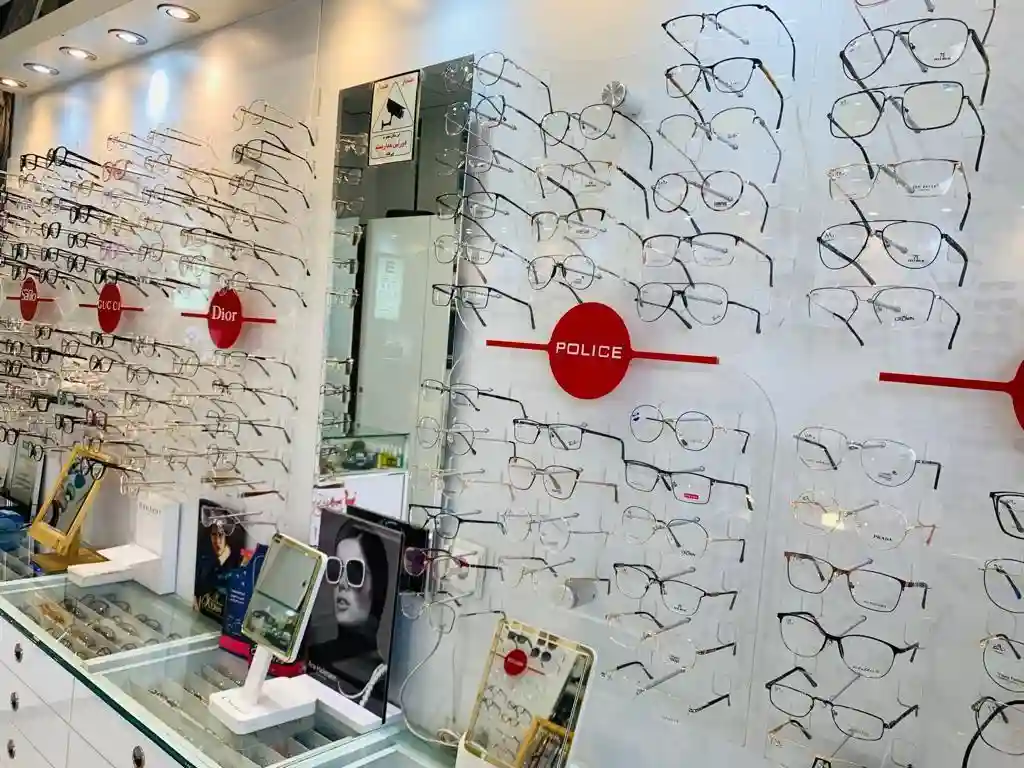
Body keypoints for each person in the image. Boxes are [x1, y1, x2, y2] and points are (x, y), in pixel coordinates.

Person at [308, 520, 393, 713]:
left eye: (355, 572)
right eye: (336, 568)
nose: (342, 583)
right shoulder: (316, 658)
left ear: (378, 585)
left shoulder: (384, 681)